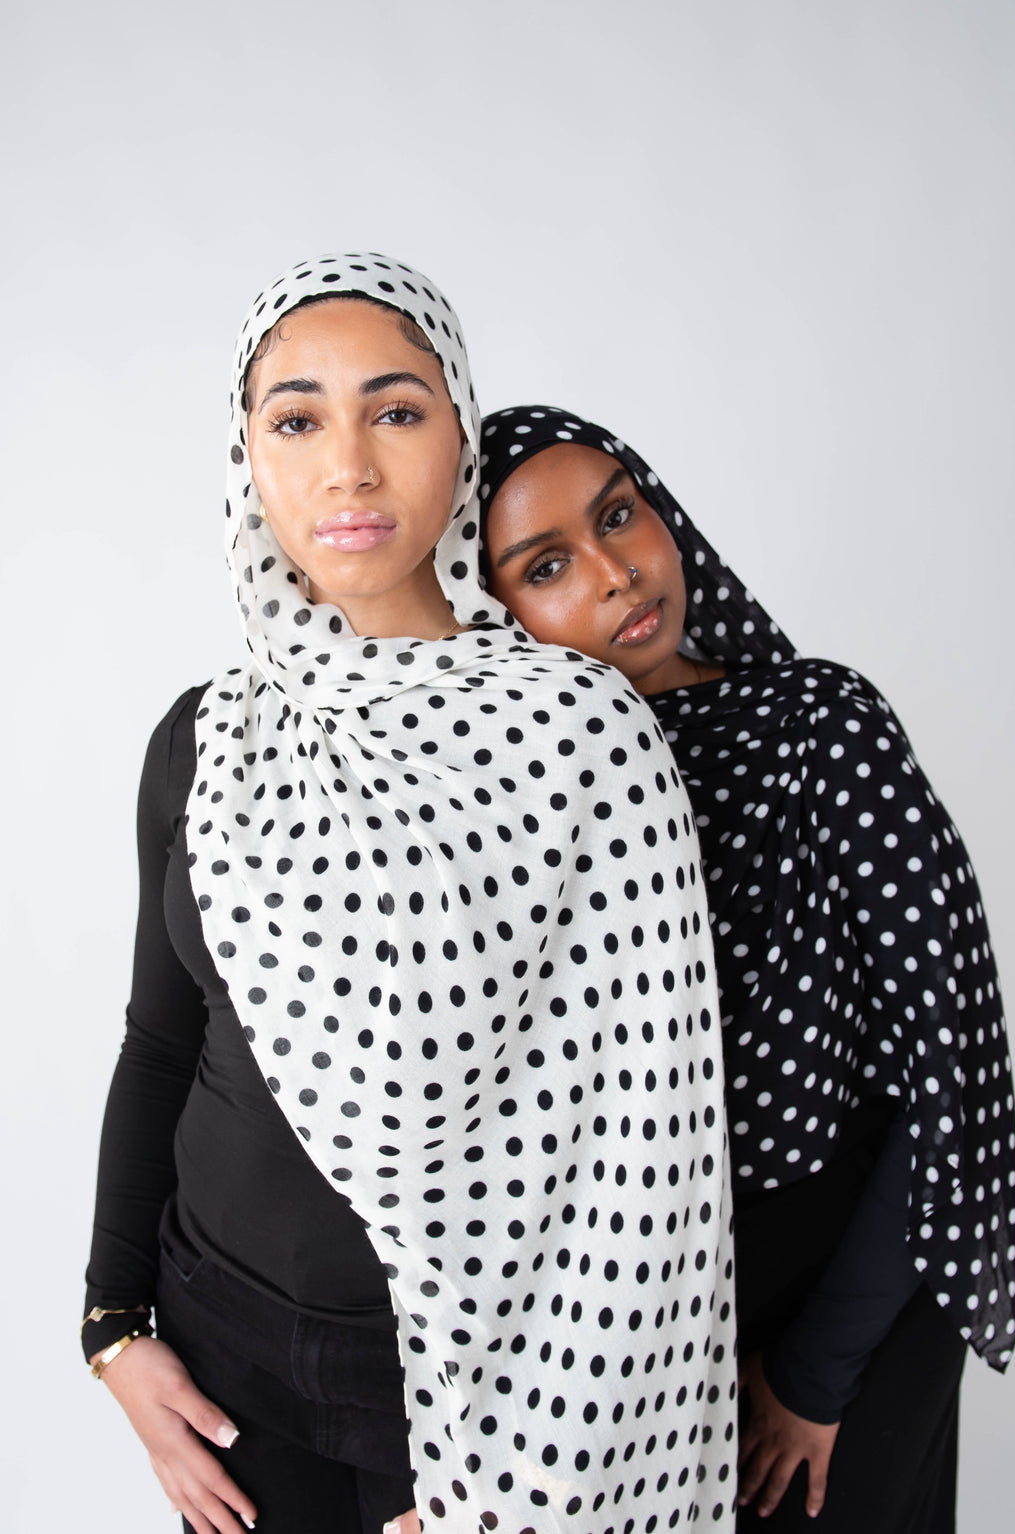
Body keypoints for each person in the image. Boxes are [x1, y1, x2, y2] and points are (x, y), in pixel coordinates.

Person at [82, 261, 738, 1534]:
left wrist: (536, 1486)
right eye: (295, 419)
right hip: (223, 1361)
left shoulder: (581, 733)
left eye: (394, 410)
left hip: (481, 1406)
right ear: (248, 459)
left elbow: (645, 1151)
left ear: (460, 432)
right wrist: (116, 1330)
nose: (348, 468)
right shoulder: (206, 739)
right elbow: (159, 1043)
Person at [477, 404, 1015, 1533]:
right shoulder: (517, 810)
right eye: (547, 565)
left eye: (619, 514)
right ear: (494, 615)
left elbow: (948, 1074)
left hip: (847, 1282)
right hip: (640, 1314)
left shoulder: (819, 729)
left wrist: (816, 1373)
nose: (619, 571)